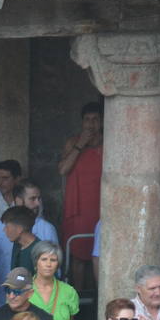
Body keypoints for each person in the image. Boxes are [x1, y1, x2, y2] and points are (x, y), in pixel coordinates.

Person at [58, 102, 103, 270]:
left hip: (100, 208)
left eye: (95, 119)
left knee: (100, 253)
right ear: (82, 122)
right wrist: (80, 145)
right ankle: (76, 294)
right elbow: (63, 169)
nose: (91, 124)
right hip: (78, 208)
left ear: (102, 122)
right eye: (87, 120)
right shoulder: (73, 143)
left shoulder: (109, 144)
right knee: (77, 253)